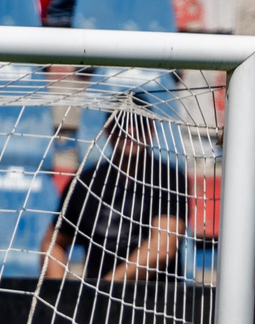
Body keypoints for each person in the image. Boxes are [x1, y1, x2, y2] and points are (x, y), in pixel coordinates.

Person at [44, 105, 188, 282]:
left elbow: (163, 247)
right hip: (97, 302)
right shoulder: (86, 182)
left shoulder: (169, 178)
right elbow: (53, 244)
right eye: (121, 124)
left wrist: (108, 287)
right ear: (107, 131)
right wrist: (60, 296)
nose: (130, 130)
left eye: (140, 124)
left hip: (154, 301)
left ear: (152, 130)